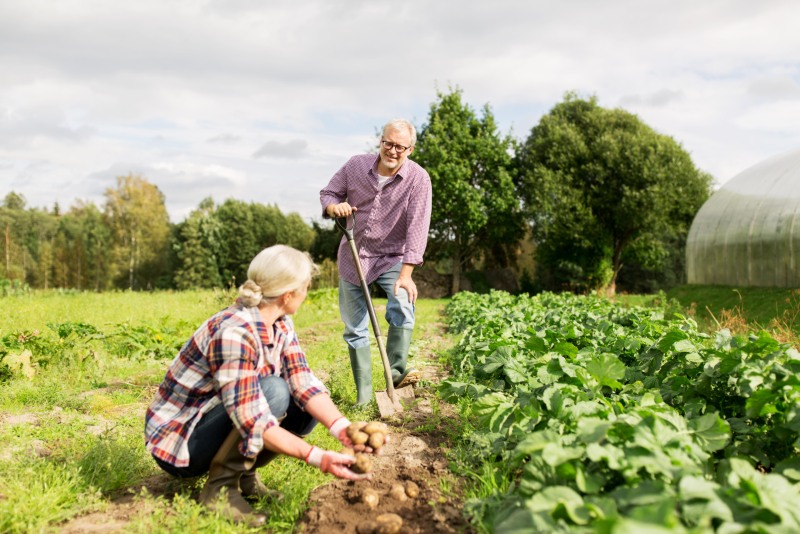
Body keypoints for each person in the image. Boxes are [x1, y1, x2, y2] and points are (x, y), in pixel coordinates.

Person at [145, 245, 377, 527]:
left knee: (302, 409)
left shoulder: (280, 322)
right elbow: (252, 418)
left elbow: (303, 381)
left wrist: (343, 428)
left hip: (222, 416)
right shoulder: (234, 332)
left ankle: (245, 476)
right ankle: (220, 490)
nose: (307, 293)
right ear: (288, 295)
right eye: (306, 287)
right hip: (183, 440)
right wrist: (317, 457)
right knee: (274, 392)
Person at [320, 118, 432, 406]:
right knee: (355, 327)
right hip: (353, 255)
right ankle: (364, 397)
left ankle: (396, 372)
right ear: (380, 141)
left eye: (400, 146)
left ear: (411, 149)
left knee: (403, 304)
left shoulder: (418, 179)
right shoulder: (356, 165)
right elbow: (328, 193)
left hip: (392, 256)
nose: (392, 151)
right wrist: (335, 207)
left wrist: (406, 274)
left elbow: (418, 227)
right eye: (388, 143)